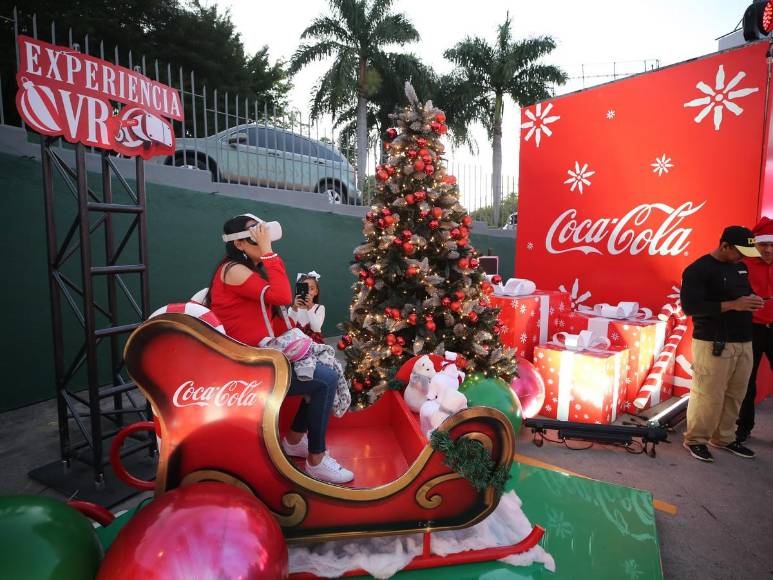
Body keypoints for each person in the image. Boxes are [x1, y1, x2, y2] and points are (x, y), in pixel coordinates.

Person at [208, 213, 353, 484]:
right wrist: (268, 252)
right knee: (324, 379)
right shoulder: (232, 270)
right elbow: (281, 295)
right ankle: (316, 460)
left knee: (320, 370)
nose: (261, 235)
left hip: (259, 354)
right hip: (245, 362)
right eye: (254, 231)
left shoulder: (248, 270)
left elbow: (272, 313)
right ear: (238, 243)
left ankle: (295, 440)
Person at [680, 226, 763, 462]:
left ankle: (724, 438)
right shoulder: (698, 269)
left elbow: (742, 295)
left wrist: (753, 301)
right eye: (740, 252)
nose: (744, 257)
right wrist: (734, 305)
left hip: (744, 340)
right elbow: (691, 307)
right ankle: (695, 439)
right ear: (725, 245)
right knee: (708, 394)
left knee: (736, 393)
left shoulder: (740, 267)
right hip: (713, 341)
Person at [736, 217, 773, 442]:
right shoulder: (742, 265)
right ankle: (743, 428)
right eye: (763, 244)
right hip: (750, 329)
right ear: (754, 245)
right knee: (746, 381)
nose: (768, 249)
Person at [289, 272, 326, 344]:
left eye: (311, 289)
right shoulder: (292, 309)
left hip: (314, 344)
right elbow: (290, 328)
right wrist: (295, 308)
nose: (308, 292)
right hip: (296, 344)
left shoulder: (320, 308)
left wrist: (309, 308)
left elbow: (316, 328)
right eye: (305, 289)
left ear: (316, 292)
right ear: (298, 291)